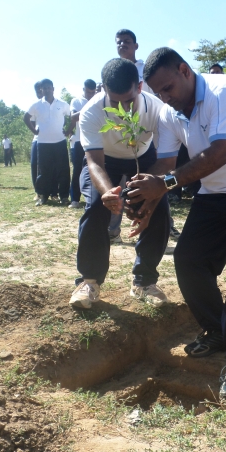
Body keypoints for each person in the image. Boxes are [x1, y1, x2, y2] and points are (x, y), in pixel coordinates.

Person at [127, 47, 226, 398]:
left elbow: (221, 153)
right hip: (213, 191)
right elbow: (166, 165)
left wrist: (163, 185)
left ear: (184, 70)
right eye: (158, 93)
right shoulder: (169, 112)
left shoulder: (223, 91)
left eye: (168, 88)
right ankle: (218, 330)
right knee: (188, 260)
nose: (165, 98)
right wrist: (146, 199)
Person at [69, 58, 170, 310]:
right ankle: (89, 281)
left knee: (158, 211)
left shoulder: (158, 110)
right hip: (105, 160)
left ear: (140, 86)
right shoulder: (91, 111)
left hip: (144, 158)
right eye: (115, 102)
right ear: (104, 89)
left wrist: (150, 195)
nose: (123, 109)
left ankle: (144, 281)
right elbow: (94, 162)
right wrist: (108, 194)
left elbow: (167, 160)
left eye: (129, 100)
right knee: (96, 207)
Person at [24, 79, 73, 206]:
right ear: (41, 90)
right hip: (43, 142)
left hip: (60, 141)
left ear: (53, 89)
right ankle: (43, 196)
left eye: (49, 88)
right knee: (43, 170)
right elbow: (26, 117)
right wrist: (34, 131)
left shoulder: (62, 104)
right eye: (44, 88)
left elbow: (72, 116)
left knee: (63, 170)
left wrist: (69, 130)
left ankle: (64, 196)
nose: (46, 90)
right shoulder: (36, 105)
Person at [68, 79, 97, 208]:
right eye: (88, 92)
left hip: (96, 141)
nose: (90, 95)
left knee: (96, 170)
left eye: (92, 92)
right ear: (83, 89)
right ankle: (75, 199)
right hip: (80, 141)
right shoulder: (76, 101)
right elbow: (73, 117)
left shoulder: (99, 100)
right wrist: (90, 106)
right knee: (78, 171)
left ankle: (95, 198)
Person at [116, 29, 152, 93]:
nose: (122, 44)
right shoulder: (113, 72)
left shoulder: (146, 69)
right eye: (119, 42)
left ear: (136, 46)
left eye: (127, 41)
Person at [30, 81, 43, 199]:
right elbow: (31, 123)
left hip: (52, 140)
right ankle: (38, 192)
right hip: (38, 139)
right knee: (34, 164)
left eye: (40, 89)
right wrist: (35, 132)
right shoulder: (35, 106)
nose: (39, 92)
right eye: (37, 90)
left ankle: (52, 192)